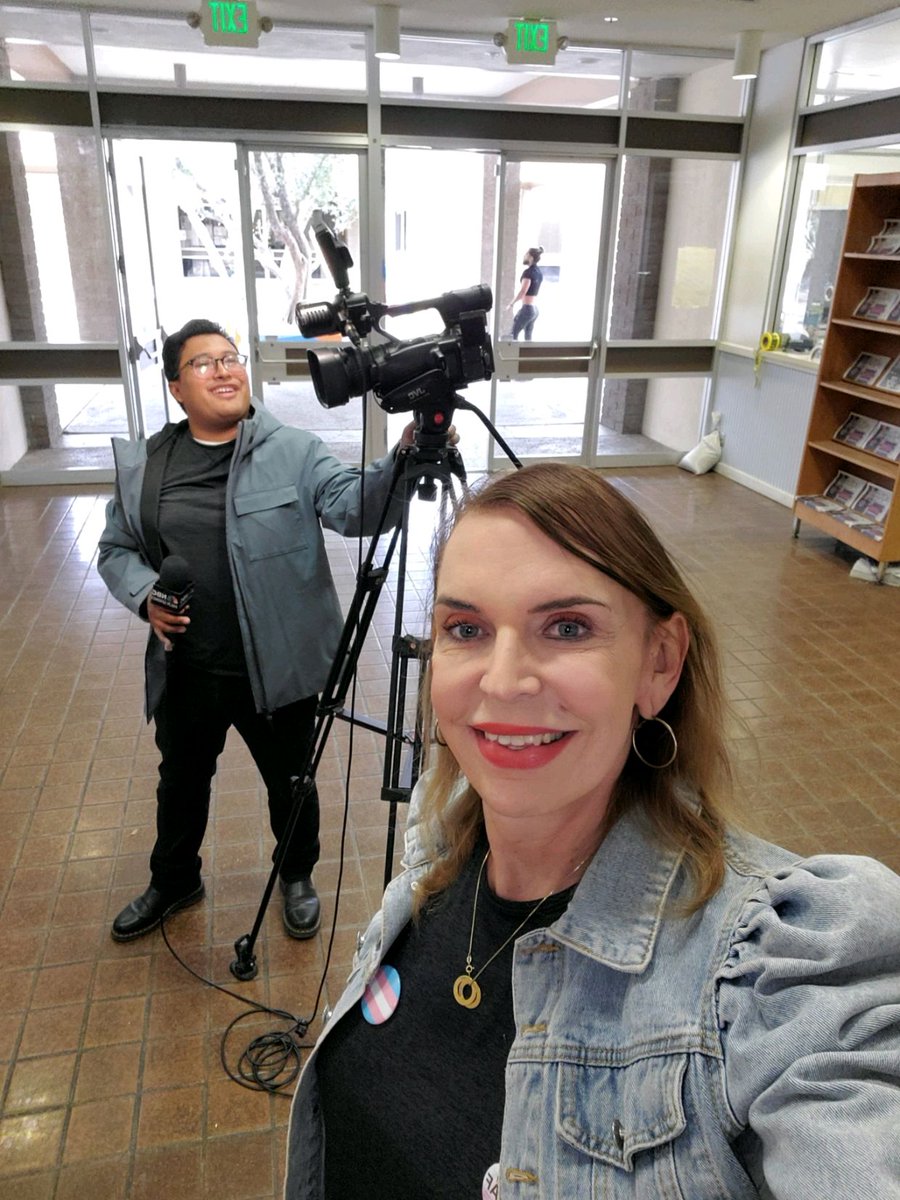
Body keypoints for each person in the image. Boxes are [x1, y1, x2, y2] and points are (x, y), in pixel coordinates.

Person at [284, 462, 900, 1199]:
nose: (504, 681)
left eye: (567, 627)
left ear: (659, 662)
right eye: (466, 628)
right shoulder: (443, 833)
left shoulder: (767, 973)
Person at [98, 318, 413, 944]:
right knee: (181, 782)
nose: (224, 369)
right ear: (175, 388)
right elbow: (116, 550)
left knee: (291, 781)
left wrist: (401, 460)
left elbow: (355, 507)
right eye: (203, 363)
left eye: (231, 357)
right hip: (188, 665)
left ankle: (296, 875)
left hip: (278, 666)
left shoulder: (294, 450)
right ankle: (175, 878)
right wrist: (145, 598)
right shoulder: (147, 464)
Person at [506, 245, 544, 340]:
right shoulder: (539, 272)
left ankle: (512, 355)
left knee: (512, 335)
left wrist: (511, 304)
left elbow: (523, 291)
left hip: (527, 309)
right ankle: (529, 354)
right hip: (534, 310)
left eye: (526, 254)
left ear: (531, 257)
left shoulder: (528, 273)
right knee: (528, 338)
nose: (524, 256)